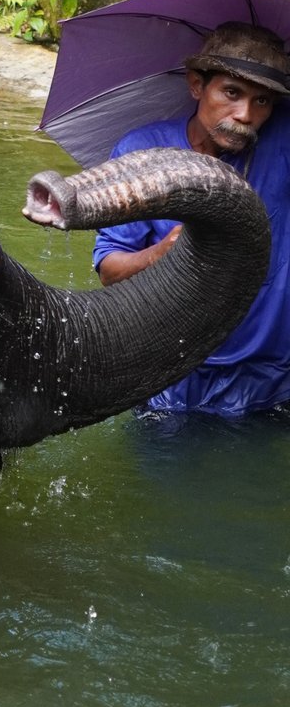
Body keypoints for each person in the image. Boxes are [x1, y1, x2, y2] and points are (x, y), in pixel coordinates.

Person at [93, 22, 290, 415]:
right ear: (197, 85)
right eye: (231, 93)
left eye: (263, 101)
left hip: (273, 380)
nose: (245, 114)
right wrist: (163, 252)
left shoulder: (283, 143)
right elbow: (110, 271)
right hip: (171, 378)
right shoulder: (144, 152)